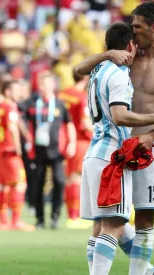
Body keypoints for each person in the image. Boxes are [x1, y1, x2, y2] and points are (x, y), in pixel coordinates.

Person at [75, 2, 154, 273]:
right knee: (105, 220)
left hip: (150, 147)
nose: (133, 31)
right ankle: (146, 270)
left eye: (137, 26)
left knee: (144, 215)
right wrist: (106, 54)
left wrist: (151, 136)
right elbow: (80, 69)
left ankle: (140, 272)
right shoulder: (128, 55)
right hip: (118, 146)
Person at [22, 71, 76, 230]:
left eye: (46, 84)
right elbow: (18, 116)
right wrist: (27, 137)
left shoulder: (59, 104)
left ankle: (55, 216)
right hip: (38, 151)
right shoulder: (32, 103)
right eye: (41, 84)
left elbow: (69, 124)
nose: (43, 87)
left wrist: (71, 142)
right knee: (37, 184)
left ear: (53, 85)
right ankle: (39, 219)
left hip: (57, 151)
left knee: (59, 181)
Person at [0, 79, 35, 232]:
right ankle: (16, 221)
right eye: (16, 90)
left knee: (4, 186)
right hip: (10, 151)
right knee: (20, 184)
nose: (19, 93)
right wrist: (18, 148)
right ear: (8, 92)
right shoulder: (10, 107)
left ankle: (3, 222)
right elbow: (13, 128)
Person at [58, 72, 94, 230]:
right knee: (76, 178)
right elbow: (85, 123)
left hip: (62, 139)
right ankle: (73, 217)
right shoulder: (82, 97)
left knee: (69, 178)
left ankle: (71, 215)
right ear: (86, 78)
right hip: (79, 141)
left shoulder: (62, 94)